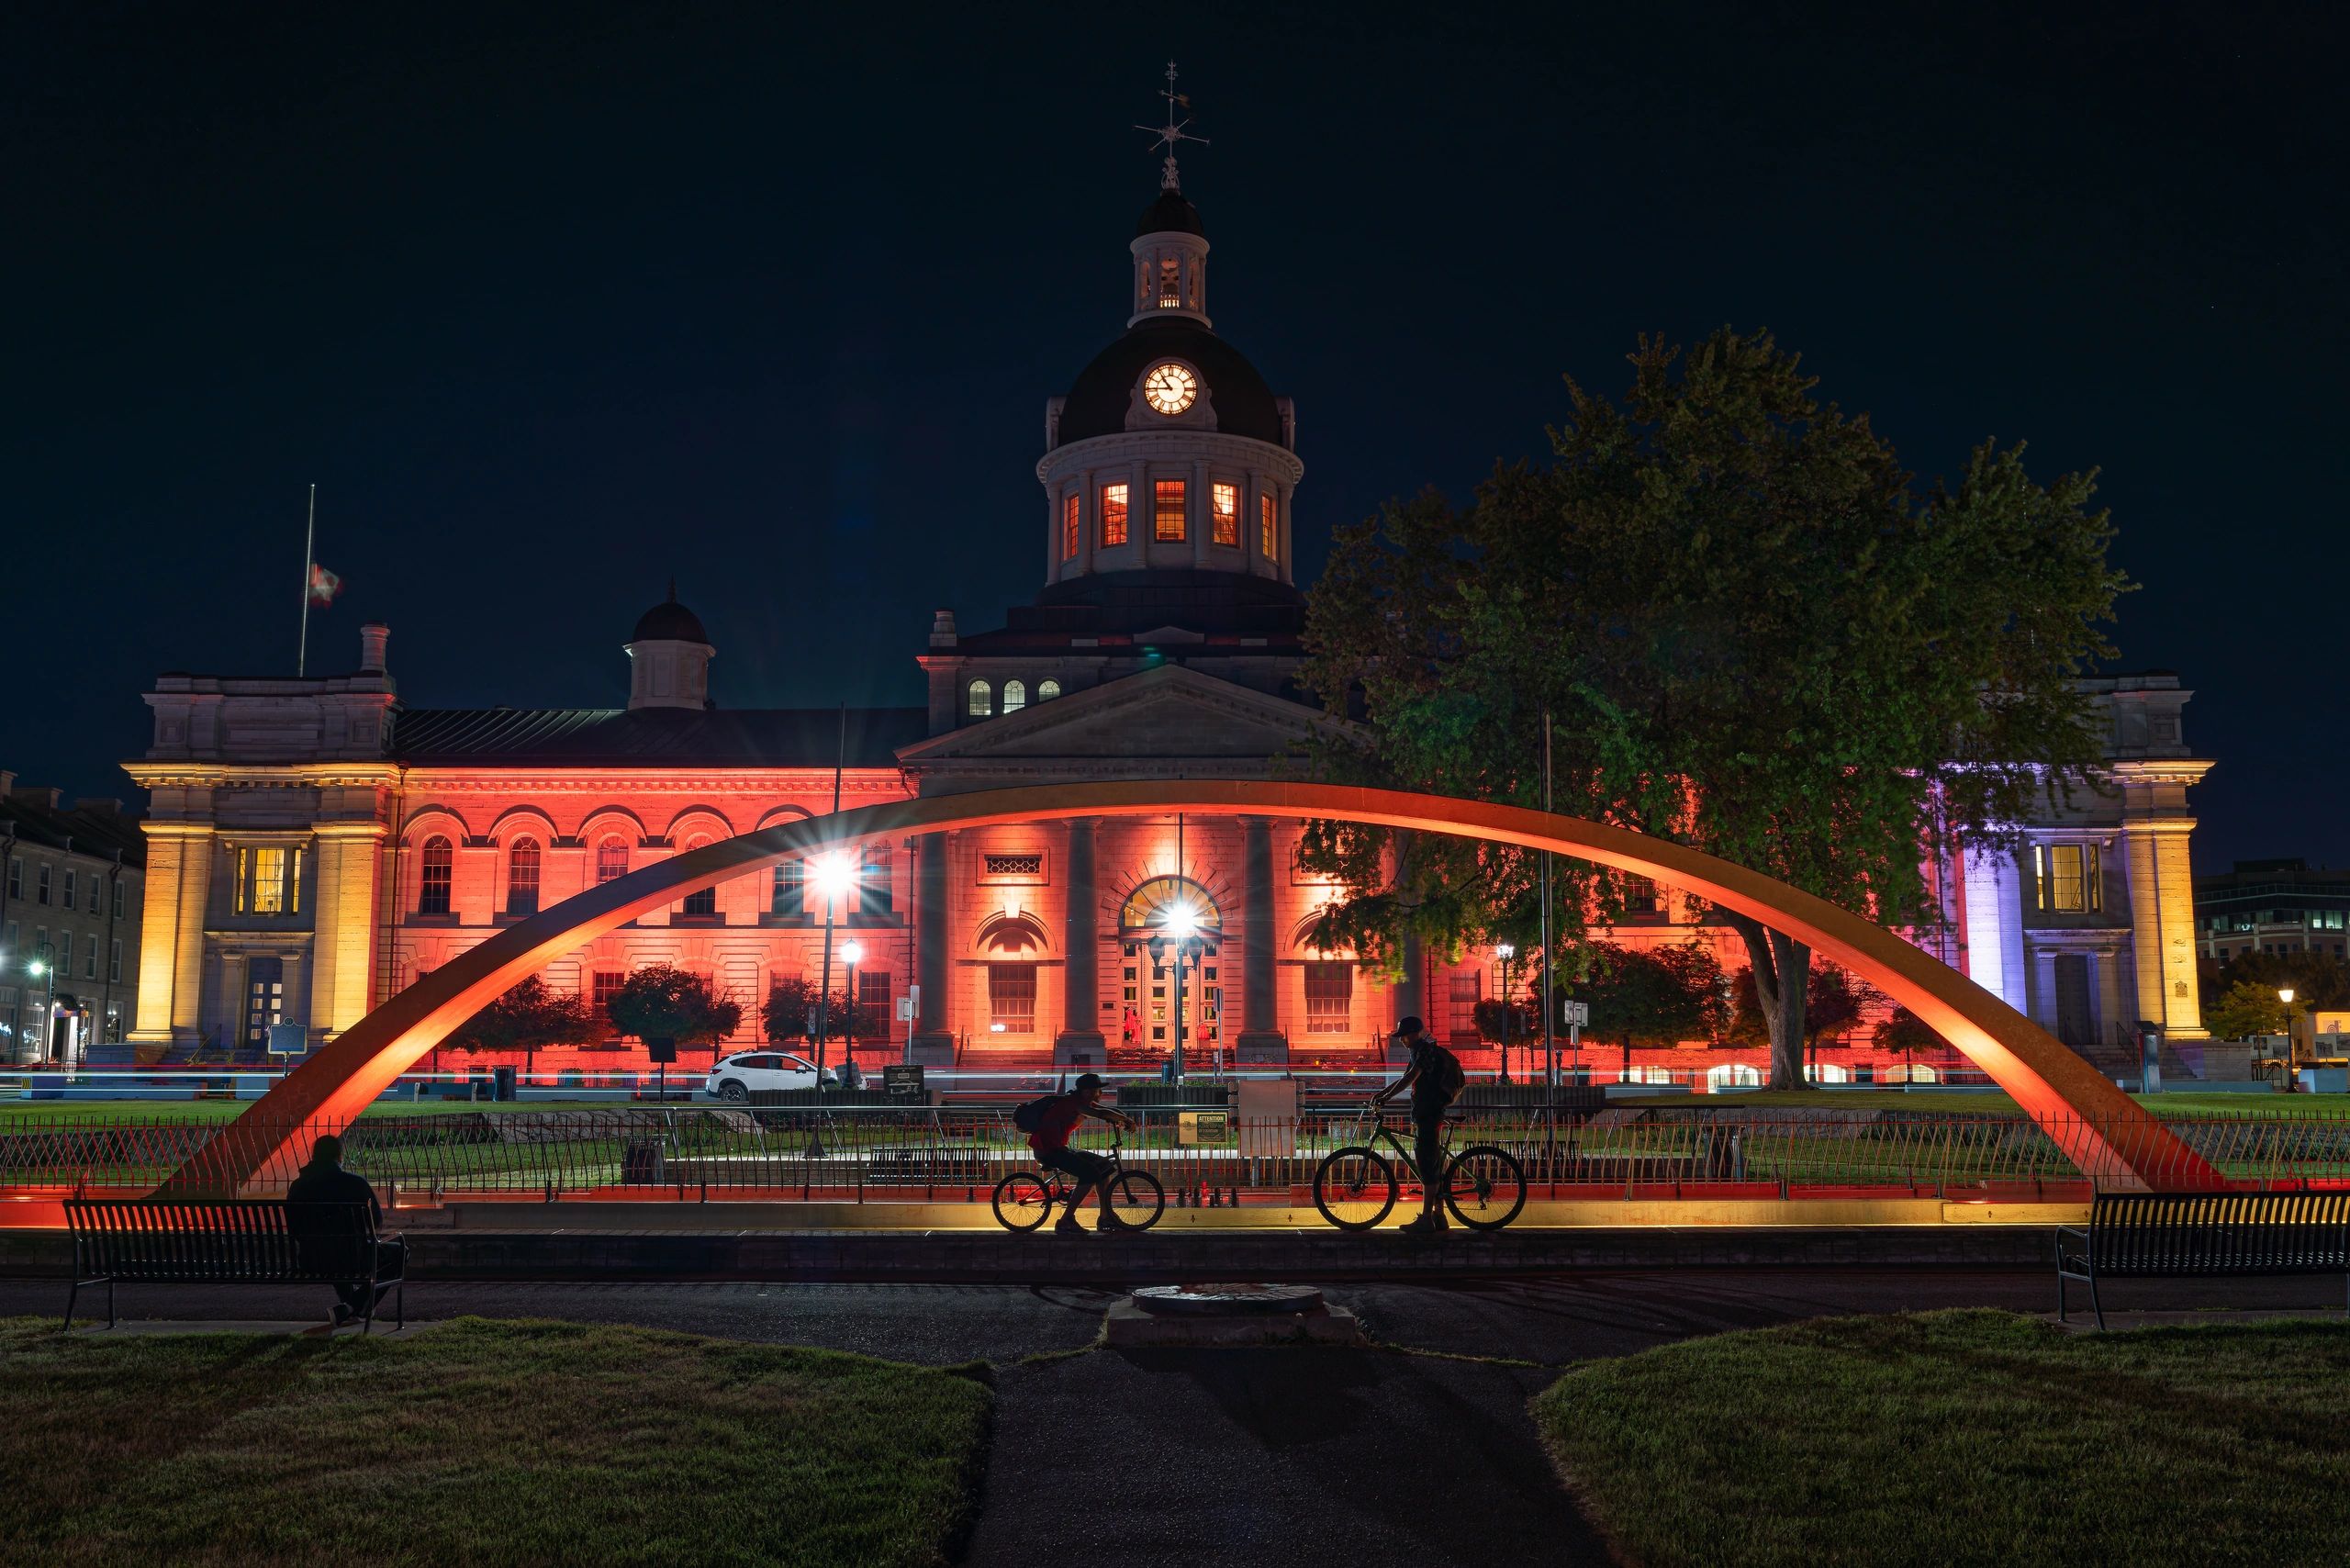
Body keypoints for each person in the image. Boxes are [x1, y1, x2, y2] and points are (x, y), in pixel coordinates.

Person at [285, 1134, 406, 1326]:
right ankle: (354, 1306)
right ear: (339, 1156)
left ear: (314, 1156)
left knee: (334, 1247)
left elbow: (294, 1228)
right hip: (352, 1255)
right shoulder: (355, 1184)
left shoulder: (298, 1187)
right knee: (400, 1251)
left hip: (312, 1258)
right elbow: (376, 1221)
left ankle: (350, 1308)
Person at [1372, 1014, 1461, 1235]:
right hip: (1427, 1112)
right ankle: (1440, 1217)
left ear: (1413, 1034)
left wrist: (1385, 1098)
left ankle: (1426, 1219)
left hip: (1429, 1113)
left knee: (1426, 1165)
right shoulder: (1419, 1052)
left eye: (1403, 1036)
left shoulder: (1424, 1051)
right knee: (1433, 1165)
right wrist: (1381, 1094)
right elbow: (1404, 1078)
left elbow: (1409, 1079)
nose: (1401, 1040)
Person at [1028, 1071, 1136, 1234]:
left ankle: (1105, 1216)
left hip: (1058, 1148)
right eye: (1097, 1090)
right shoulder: (1073, 1103)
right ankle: (1066, 1219)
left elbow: (1106, 1110)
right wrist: (1126, 1121)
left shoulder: (1081, 1101)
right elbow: (1101, 1114)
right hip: (1048, 1151)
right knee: (1090, 1173)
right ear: (1087, 1092)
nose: (1101, 1094)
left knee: (1104, 1166)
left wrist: (1126, 1119)